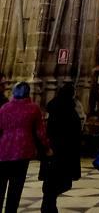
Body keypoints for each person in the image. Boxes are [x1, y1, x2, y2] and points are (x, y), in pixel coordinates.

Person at [0, 81, 49, 213]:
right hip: (22, 150)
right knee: (16, 185)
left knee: (1, 183)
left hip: (4, 149)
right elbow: (40, 131)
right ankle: (11, 210)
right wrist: (47, 147)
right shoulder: (33, 108)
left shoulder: (4, 108)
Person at [40, 83, 82, 213]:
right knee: (59, 182)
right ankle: (49, 206)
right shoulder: (69, 110)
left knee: (51, 182)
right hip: (64, 152)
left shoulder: (53, 107)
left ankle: (48, 205)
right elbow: (74, 132)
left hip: (51, 150)